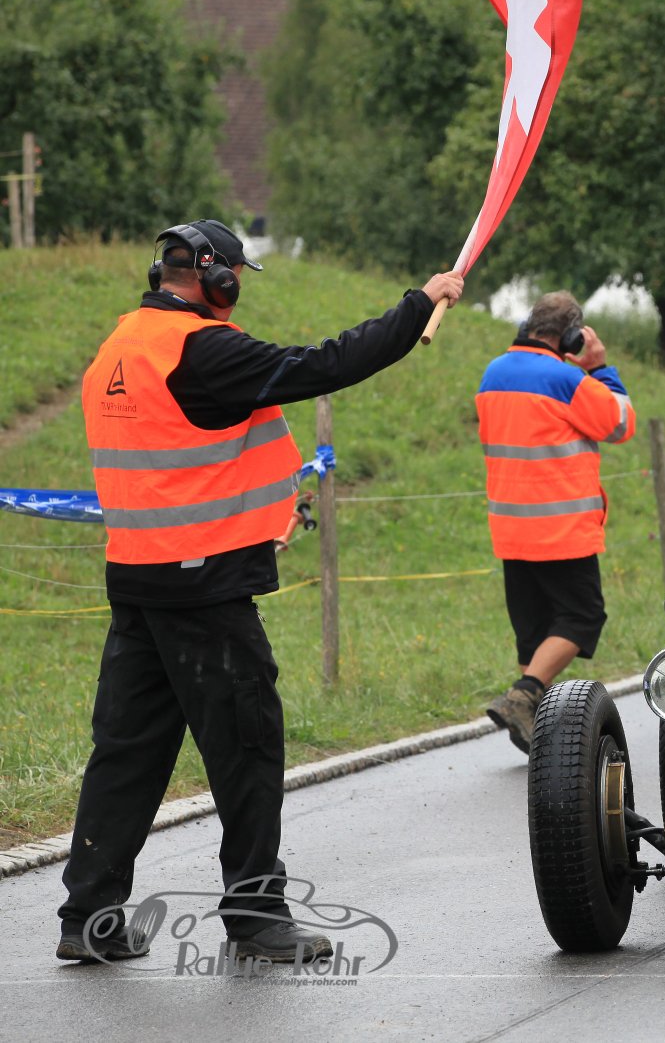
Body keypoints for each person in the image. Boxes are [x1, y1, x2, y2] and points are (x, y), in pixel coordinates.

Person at [61, 219, 465, 963]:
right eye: (236, 276)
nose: (238, 288)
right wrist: (418, 306)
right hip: (203, 586)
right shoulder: (204, 350)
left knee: (126, 753)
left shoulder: (121, 344)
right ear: (214, 277)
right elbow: (325, 363)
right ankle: (256, 917)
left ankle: (88, 916)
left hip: (138, 579)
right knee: (248, 747)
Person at [478, 291, 635, 755]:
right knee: (582, 616)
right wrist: (600, 369)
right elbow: (620, 423)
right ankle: (523, 695)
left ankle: (534, 726)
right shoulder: (567, 379)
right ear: (571, 336)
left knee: (534, 629)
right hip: (561, 528)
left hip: (510, 524)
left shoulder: (493, 373)